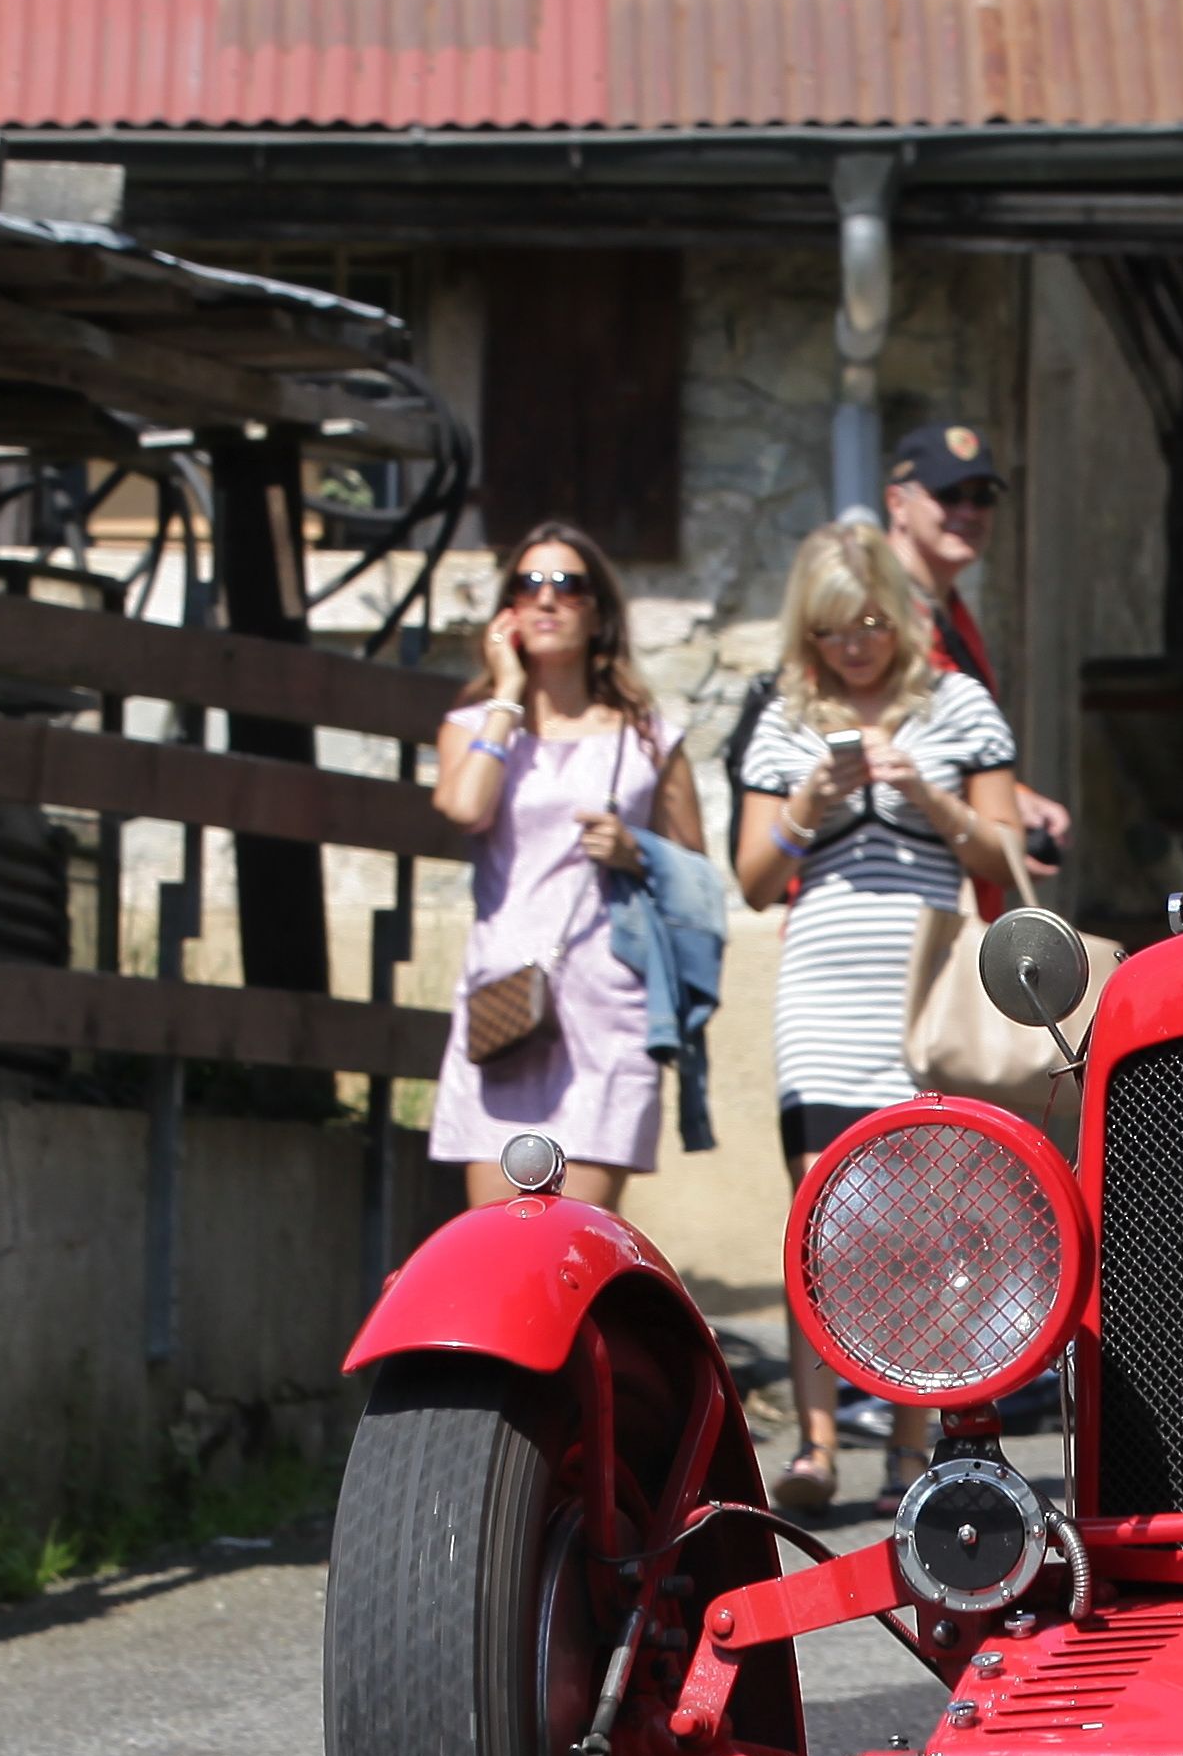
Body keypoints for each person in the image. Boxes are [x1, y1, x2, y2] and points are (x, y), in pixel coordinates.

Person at [733, 523, 1026, 1507]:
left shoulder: (957, 707)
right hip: (823, 974)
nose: (852, 647)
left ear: (898, 621)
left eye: (866, 625)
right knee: (818, 1207)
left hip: (926, 973)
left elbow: (1003, 858)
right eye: (830, 633)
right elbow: (756, 875)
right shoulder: (784, 717)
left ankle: (911, 1441)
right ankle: (817, 1443)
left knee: (924, 1216)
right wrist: (808, 799)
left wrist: (928, 796)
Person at [423, 522, 707, 1211]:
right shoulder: (475, 726)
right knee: (496, 1246)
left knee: (579, 1249)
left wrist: (634, 850)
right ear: (508, 609)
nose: (547, 600)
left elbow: (697, 876)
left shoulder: (644, 738)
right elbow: (464, 806)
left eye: (567, 585)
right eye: (529, 584)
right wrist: (507, 692)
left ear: (597, 609)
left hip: (605, 1008)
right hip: (505, 1010)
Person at [879, 422, 1068, 872]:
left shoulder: (948, 611)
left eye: (982, 497)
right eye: (948, 495)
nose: (968, 511)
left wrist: (1009, 795)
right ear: (896, 505)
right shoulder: (874, 609)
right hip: (895, 878)